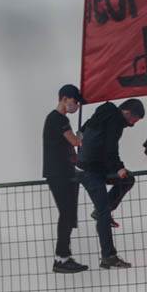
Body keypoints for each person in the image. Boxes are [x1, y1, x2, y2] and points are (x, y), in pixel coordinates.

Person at [77, 98, 145, 269]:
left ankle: (103, 210)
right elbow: (110, 147)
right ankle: (109, 256)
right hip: (93, 170)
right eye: (134, 120)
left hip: (89, 166)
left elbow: (82, 131)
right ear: (128, 112)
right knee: (104, 213)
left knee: (125, 182)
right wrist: (119, 167)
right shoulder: (115, 119)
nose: (133, 124)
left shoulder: (102, 113)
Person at [43, 85, 87, 273]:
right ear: (64, 99)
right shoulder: (57, 118)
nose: (76, 106)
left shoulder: (59, 119)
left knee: (68, 214)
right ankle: (61, 258)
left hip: (66, 171)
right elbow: (75, 142)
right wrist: (81, 135)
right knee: (66, 214)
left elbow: (68, 148)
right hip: (58, 173)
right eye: (75, 101)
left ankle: (64, 255)